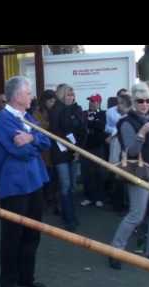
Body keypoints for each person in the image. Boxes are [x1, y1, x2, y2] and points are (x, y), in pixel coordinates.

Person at [0, 76, 51, 287]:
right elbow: (20, 152)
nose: (32, 96)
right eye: (28, 93)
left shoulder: (27, 117)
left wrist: (31, 139)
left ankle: (26, 276)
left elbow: (46, 142)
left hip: (34, 182)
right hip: (14, 187)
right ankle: (7, 283)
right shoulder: (3, 120)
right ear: (17, 96)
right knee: (12, 236)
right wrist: (34, 141)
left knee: (32, 232)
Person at [109, 82, 149, 270]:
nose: (145, 104)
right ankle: (115, 251)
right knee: (136, 215)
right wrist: (142, 133)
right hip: (140, 172)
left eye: (148, 100)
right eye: (140, 101)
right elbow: (131, 151)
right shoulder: (126, 122)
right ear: (133, 102)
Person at [49, 84, 85, 231]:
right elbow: (57, 131)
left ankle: (69, 215)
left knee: (71, 186)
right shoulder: (56, 110)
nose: (71, 97)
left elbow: (81, 129)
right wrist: (72, 145)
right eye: (68, 95)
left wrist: (78, 148)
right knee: (65, 185)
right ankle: (68, 218)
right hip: (60, 152)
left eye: (72, 95)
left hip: (73, 150)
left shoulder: (76, 109)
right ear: (62, 95)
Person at [80, 93, 108, 208]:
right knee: (86, 173)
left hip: (98, 147)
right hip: (85, 148)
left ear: (99, 103)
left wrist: (91, 123)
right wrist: (91, 123)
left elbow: (101, 126)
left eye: (94, 101)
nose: (91, 103)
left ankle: (99, 197)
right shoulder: (83, 113)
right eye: (90, 101)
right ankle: (88, 197)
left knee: (99, 173)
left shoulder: (103, 113)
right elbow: (81, 126)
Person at [34, 90, 59, 214]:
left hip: (55, 148)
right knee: (45, 175)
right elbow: (38, 126)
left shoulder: (55, 110)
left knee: (54, 176)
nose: (52, 103)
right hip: (44, 149)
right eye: (50, 101)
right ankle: (45, 200)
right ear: (44, 101)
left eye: (54, 101)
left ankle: (53, 200)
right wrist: (52, 124)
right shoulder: (38, 112)